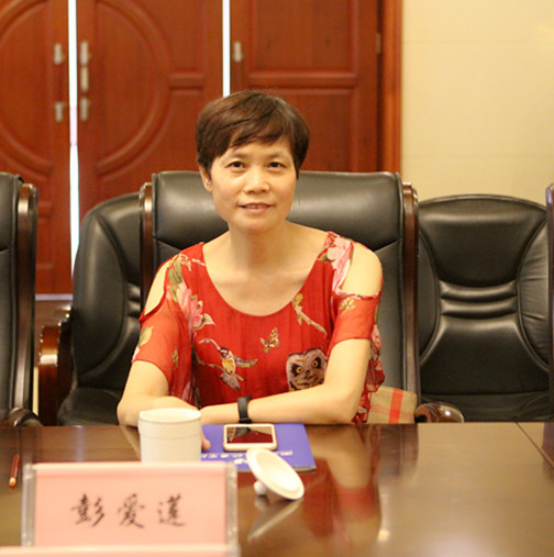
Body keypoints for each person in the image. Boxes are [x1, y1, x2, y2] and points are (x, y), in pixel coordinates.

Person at [117, 90, 384, 429]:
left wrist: (217, 416)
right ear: (206, 176)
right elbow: (132, 405)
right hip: (218, 456)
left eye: (275, 165)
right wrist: (163, 410)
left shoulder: (349, 265)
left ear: (296, 173)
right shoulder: (180, 276)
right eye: (237, 165)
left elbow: (340, 401)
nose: (257, 184)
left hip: (327, 454)